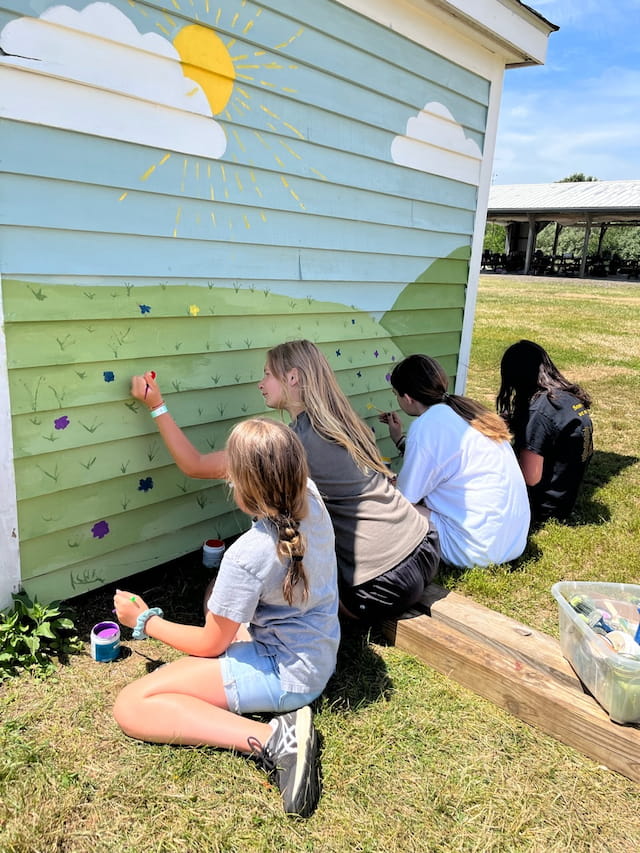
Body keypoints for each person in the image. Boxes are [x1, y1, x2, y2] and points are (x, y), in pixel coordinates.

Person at [112, 418, 340, 818]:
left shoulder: (248, 555)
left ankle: (276, 739)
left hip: (289, 673)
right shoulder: (311, 496)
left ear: (237, 484)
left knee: (134, 704)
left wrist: (143, 618)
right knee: (214, 597)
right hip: (318, 646)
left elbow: (209, 644)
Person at [260, 340, 440, 623]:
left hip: (382, 584)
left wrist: (160, 406)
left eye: (267, 374)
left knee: (275, 596)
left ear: (292, 377)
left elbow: (196, 465)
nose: (261, 383)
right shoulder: (344, 422)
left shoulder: (297, 442)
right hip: (425, 547)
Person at [379, 354, 530, 568]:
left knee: (390, 506)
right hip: (511, 541)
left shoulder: (427, 425)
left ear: (408, 397)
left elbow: (406, 499)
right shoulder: (464, 411)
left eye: (396, 394)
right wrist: (399, 439)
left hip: (474, 550)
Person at [497, 339, 594, 525]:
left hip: (542, 508)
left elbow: (530, 477)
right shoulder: (565, 399)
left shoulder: (539, 413)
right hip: (565, 496)